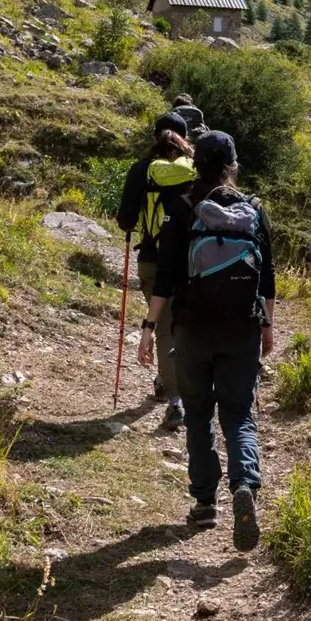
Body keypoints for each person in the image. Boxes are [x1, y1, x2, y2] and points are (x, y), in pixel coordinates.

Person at [137, 131, 275, 551]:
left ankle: (204, 504)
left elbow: (164, 278)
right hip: (242, 329)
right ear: (233, 165)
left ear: (196, 163)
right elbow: (267, 276)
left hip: (192, 329)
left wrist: (148, 326)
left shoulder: (181, 209)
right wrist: (268, 326)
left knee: (198, 415)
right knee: (239, 415)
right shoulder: (253, 211)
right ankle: (243, 485)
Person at [116, 113, 197, 430]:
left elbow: (124, 220)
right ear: (184, 139)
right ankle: (173, 383)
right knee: (180, 326)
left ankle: (175, 400)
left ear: (156, 137)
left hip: (152, 259)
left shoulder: (141, 169)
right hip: (192, 262)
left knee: (163, 326)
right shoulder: (196, 170)